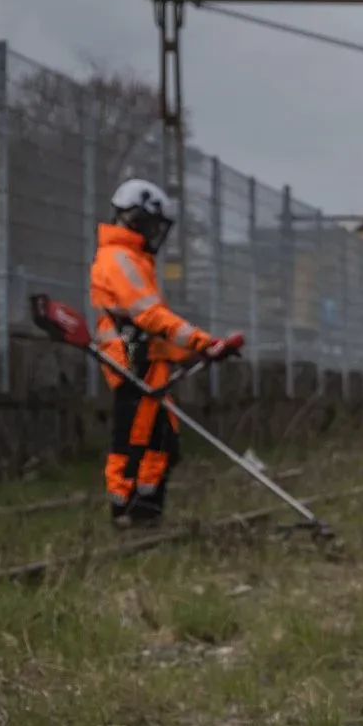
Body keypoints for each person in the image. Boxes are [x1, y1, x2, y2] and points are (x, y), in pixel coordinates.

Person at [91, 179, 233, 525]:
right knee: (134, 438)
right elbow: (150, 316)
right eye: (154, 225)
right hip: (130, 360)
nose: (157, 234)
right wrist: (200, 342)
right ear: (137, 219)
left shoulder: (134, 259)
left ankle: (146, 508)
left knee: (161, 439)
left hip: (145, 358)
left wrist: (191, 352)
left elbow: (152, 326)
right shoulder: (120, 259)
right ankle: (125, 508)